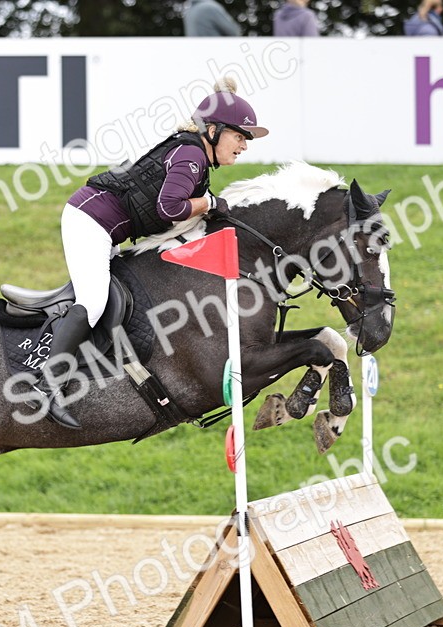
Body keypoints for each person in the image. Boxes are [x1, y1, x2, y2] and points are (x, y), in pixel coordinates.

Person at [29, 79, 268, 429]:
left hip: (103, 226)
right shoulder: (191, 155)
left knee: (114, 300)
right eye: (240, 136)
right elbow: (170, 208)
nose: (244, 145)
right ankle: (47, 388)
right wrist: (211, 203)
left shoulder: (195, 157)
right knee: (94, 301)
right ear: (213, 130)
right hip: (89, 221)